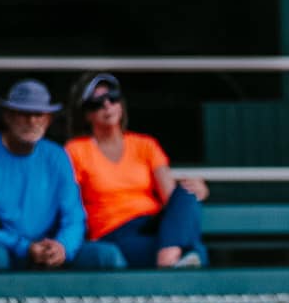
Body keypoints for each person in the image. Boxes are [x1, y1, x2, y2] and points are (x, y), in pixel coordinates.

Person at [0, 81, 126, 273]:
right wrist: (24, 247)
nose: (32, 121)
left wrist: (63, 247)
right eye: (24, 114)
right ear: (8, 116)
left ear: (48, 119)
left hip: (44, 247)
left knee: (106, 255)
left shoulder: (57, 155)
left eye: (39, 114)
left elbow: (73, 216)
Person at [64, 73, 209, 270]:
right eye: (97, 102)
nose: (107, 105)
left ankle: (169, 256)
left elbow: (170, 195)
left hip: (154, 224)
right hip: (114, 231)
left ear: (121, 104)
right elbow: (69, 202)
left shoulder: (145, 145)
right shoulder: (76, 150)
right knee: (195, 250)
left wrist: (199, 189)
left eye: (113, 98)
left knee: (187, 192)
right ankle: (175, 257)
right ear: (86, 114)